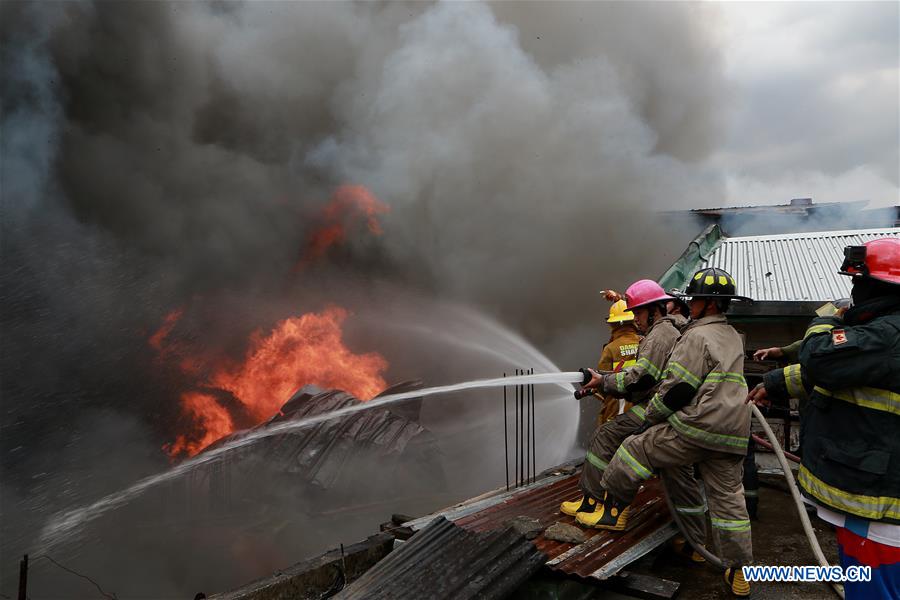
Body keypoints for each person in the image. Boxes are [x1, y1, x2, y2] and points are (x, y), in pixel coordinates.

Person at [579, 267, 754, 597]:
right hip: (732, 433)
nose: (690, 305)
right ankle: (738, 569)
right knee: (729, 502)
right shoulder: (732, 335)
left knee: (634, 448)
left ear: (708, 304)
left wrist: (651, 419)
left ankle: (614, 513)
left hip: (697, 426)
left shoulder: (695, 337)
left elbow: (678, 389)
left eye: (695, 300)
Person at [748, 238, 900, 600]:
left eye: (858, 281)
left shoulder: (887, 335)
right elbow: (843, 374)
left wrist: (825, 320)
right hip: (872, 498)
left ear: (877, 287)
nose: (853, 290)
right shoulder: (883, 336)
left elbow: (820, 358)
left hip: (878, 509)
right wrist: (774, 383)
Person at [561, 280, 685, 520]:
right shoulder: (661, 332)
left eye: (638, 312)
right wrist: (603, 378)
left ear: (654, 310)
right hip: (655, 401)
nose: (635, 319)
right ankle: (595, 500)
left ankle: (593, 502)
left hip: (653, 405)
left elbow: (640, 379)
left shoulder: (658, 336)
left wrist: (601, 381)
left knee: (605, 434)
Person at [595, 299, 641, 425]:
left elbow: (601, 384)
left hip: (616, 410)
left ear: (613, 324)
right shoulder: (645, 341)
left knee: (606, 435)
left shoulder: (610, 349)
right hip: (641, 408)